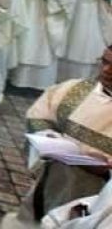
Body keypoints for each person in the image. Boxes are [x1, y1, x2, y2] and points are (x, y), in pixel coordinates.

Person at [17, 46, 112, 224]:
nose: (106, 71)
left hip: (100, 198)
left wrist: (107, 169)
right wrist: (50, 140)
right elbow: (39, 117)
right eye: (105, 62)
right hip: (55, 176)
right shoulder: (73, 89)